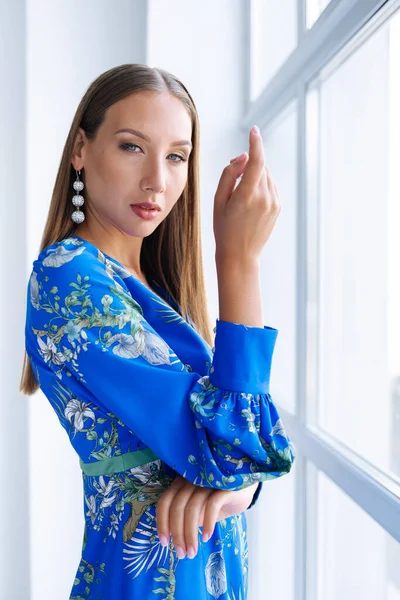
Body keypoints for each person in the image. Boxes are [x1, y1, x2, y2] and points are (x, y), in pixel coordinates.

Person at [20, 63, 295, 600]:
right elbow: (233, 449)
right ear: (81, 150)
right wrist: (239, 262)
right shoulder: (69, 275)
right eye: (131, 147)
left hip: (206, 574)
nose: (158, 180)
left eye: (176, 156)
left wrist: (234, 493)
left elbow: (238, 454)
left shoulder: (155, 288)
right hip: (148, 580)